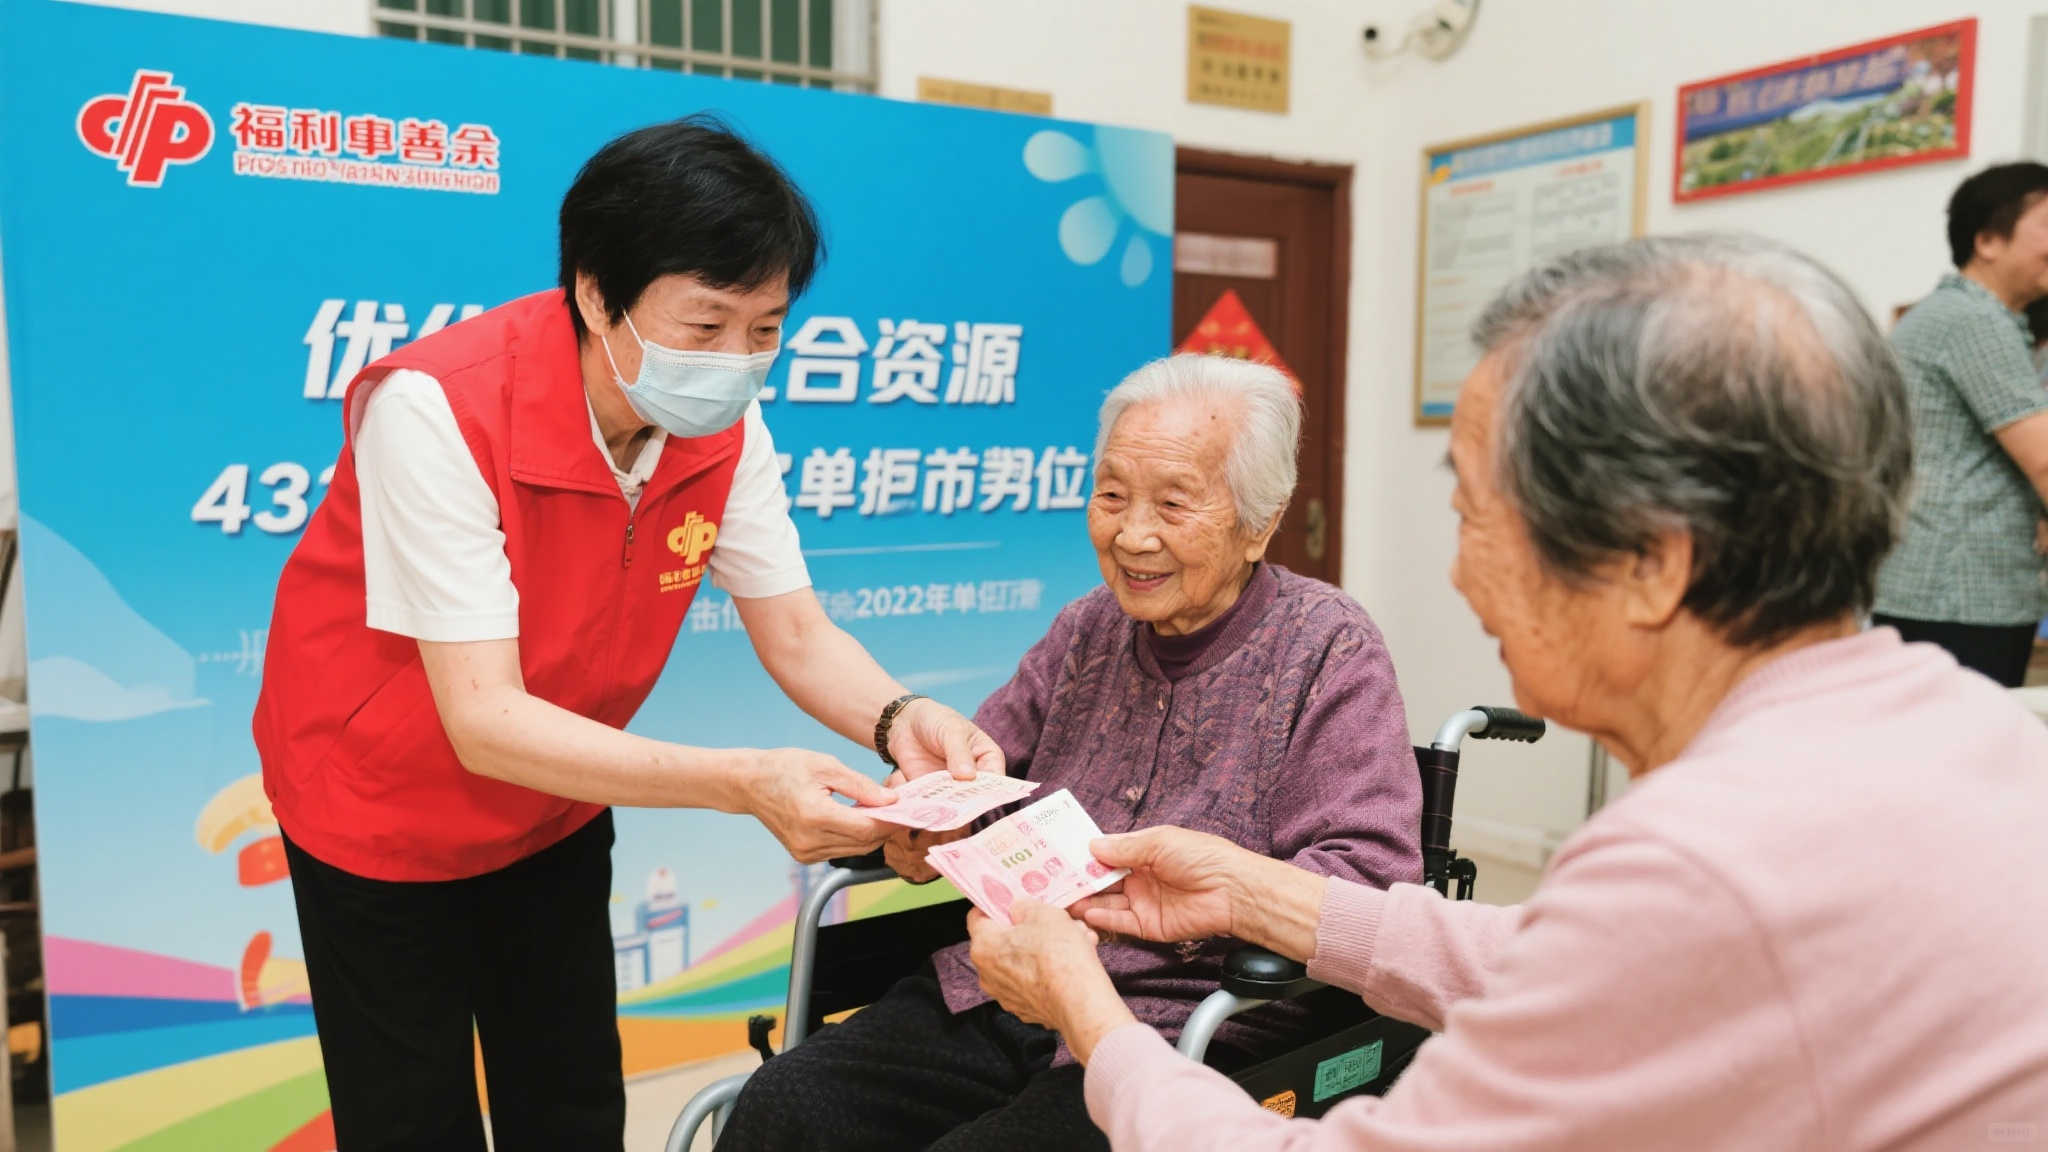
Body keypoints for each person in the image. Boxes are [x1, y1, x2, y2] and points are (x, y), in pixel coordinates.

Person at [970, 235, 2048, 1150]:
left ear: (1649, 560)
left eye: (1478, 515)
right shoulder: (1963, 723)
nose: (1457, 571)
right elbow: (1586, 965)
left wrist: (1087, 1010)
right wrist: (1259, 894)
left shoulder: (1700, 864)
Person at [252, 116, 1002, 1152]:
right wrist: (744, 783)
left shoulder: (720, 424)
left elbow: (793, 630)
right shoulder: (438, 408)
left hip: (553, 796)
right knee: (409, 1119)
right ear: (597, 295)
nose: (736, 361)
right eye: (705, 326)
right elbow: (480, 718)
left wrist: (900, 718)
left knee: (568, 1102)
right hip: (380, 803)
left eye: (766, 329)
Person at [715, 355, 1422, 1151]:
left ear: (1258, 521)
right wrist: (924, 823)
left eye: (1173, 504)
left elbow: (1372, 879)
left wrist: (1228, 893)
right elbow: (979, 776)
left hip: (1183, 1031)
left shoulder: (1328, 648)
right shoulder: (1086, 630)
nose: (1131, 534)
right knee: (785, 1106)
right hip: (1001, 987)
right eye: (1112, 495)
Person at [1874, 162, 2048, 686]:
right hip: (1959, 596)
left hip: (1948, 593)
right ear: (1988, 240)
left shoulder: (1965, 317)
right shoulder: (1973, 322)